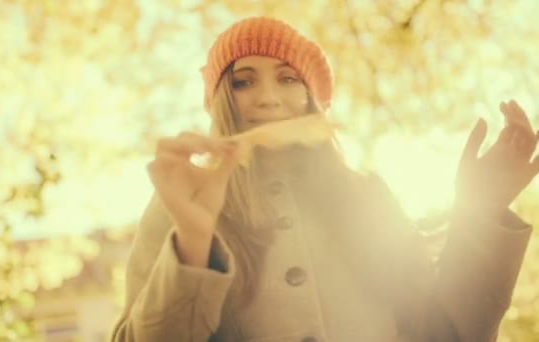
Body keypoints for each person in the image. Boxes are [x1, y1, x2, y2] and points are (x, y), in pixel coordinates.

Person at [110, 17, 537, 341]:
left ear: (312, 100)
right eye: (243, 81)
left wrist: (482, 210)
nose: (268, 97)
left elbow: (445, 332)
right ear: (220, 100)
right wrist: (192, 243)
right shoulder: (183, 201)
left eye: (288, 79)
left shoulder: (368, 198)